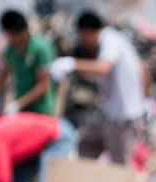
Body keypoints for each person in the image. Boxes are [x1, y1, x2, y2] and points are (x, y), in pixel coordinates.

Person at [49, 10, 148, 164]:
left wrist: (73, 64)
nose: (82, 41)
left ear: (87, 31)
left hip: (124, 117)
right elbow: (142, 67)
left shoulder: (110, 41)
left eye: (82, 36)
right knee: (86, 145)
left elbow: (104, 67)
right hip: (109, 113)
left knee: (119, 167)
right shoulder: (113, 40)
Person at [0, 9, 57, 116]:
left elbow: (43, 86)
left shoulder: (40, 48)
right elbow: (1, 78)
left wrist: (17, 105)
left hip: (41, 111)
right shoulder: (10, 51)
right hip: (22, 111)